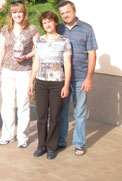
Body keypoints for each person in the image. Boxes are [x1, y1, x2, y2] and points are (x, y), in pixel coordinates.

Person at [0, 0, 39, 148]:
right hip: (7, 71)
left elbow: (38, 50)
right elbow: (1, 51)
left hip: (24, 71)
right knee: (7, 104)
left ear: (24, 13)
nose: (17, 15)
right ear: (10, 14)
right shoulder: (5, 30)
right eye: (14, 12)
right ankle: (7, 135)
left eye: (20, 12)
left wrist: (26, 56)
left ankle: (22, 136)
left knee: (23, 104)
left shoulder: (32, 29)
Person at [28, 11, 72, 160]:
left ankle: (52, 147)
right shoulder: (39, 41)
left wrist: (66, 85)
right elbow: (36, 62)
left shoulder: (64, 41)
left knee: (54, 116)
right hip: (41, 82)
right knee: (41, 117)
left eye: (49, 21)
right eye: (44, 22)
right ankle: (41, 146)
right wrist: (31, 81)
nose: (47, 24)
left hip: (57, 83)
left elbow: (67, 63)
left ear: (55, 22)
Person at [57, 0, 98, 156]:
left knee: (79, 112)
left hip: (81, 77)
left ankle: (79, 144)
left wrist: (89, 78)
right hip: (62, 79)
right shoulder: (59, 29)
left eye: (68, 12)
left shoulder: (86, 28)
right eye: (62, 13)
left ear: (74, 10)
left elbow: (92, 54)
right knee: (62, 111)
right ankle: (61, 140)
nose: (65, 15)